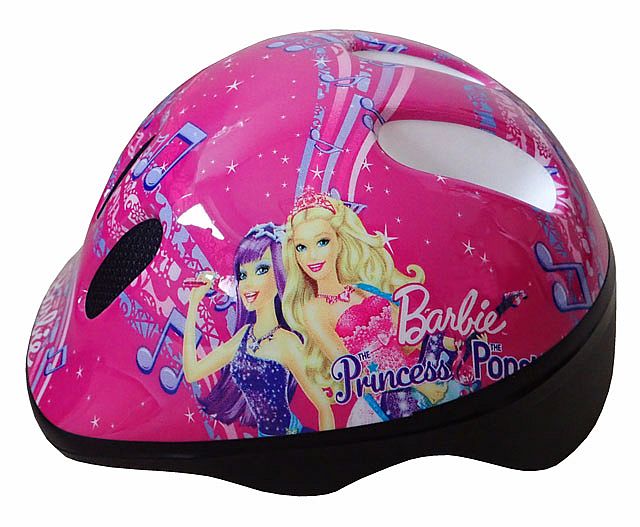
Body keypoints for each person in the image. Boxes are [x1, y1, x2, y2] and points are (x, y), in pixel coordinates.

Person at [183, 222, 334, 436]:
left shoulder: (286, 342)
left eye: (261, 270)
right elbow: (192, 373)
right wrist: (193, 306)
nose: (248, 283)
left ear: (280, 272)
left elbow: (324, 408)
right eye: (242, 275)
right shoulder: (245, 337)